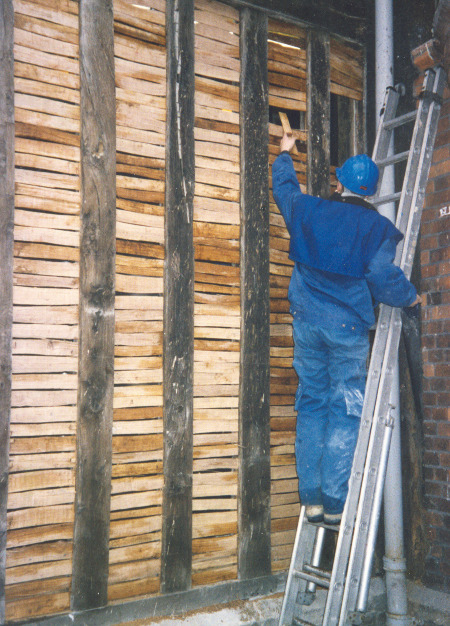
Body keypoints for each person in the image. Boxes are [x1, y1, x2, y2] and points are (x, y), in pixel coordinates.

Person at [272, 134, 421, 525]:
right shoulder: (375, 226)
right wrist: (410, 298)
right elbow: (381, 276)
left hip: (306, 324)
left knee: (312, 405)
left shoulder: (309, 209)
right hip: (346, 330)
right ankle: (336, 502)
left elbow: (285, 191)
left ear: (339, 184)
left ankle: (312, 500)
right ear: (369, 192)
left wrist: (285, 153)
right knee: (345, 410)